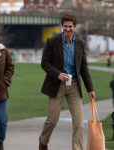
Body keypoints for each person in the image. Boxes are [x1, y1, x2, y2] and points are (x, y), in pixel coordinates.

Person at [39, 13, 95, 150]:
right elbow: (44, 63)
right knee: (52, 120)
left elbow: (83, 67)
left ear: (75, 26)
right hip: (56, 85)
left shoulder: (80, 44)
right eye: (65, 26)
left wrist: (90, 89)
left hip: (74, 85)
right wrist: (58, 74)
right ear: (62, 26)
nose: (68, 29)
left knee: (79, 123)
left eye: (70, 26)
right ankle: (43, 141)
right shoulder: (52, 42)